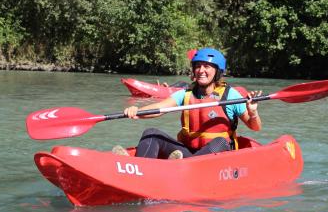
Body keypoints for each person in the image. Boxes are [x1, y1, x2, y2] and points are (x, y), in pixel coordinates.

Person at [112, 48, 262, 159]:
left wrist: (253, 111)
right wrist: (137, 111)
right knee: (150, 134)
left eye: (206, 66)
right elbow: (160, 108)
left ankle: (178, 166)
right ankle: (139, 168)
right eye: (198, 66)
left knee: (220, 141)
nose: (201, 70)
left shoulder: (230, 95)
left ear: (217, 72)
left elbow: (255, 127)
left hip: (216, 157)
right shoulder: (186, 94)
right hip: (188, 151)